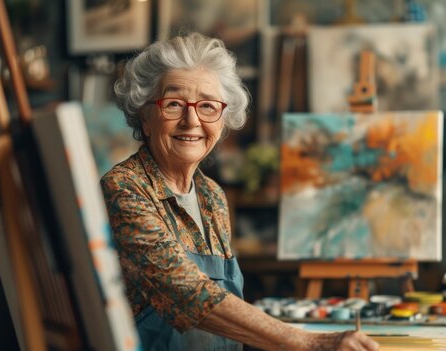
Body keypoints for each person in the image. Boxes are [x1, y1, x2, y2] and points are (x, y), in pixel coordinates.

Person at [101, 32, 379, 351]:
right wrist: (310, 342)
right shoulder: (124, 188)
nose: (192, 121)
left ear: (222, 120)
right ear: (145, 116)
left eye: (207, 106)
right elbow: (184, 292)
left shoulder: (212, 195)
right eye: (174, 104)